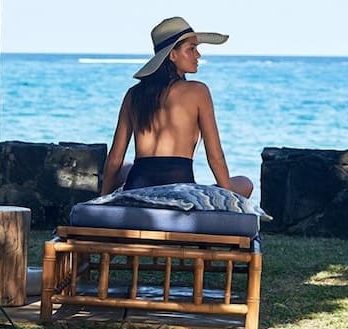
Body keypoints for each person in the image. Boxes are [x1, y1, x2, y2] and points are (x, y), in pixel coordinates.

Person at [101, 16, 253, 197]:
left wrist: (102, 199)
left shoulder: (134, 94)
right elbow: (215, 156)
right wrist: (227, 200)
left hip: (138, 185)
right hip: (179, 192)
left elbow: (115, 159)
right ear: (172, 55)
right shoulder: (198, 91)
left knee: (126, 167)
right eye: (191, 49)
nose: (198, 55)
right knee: (244, 183)